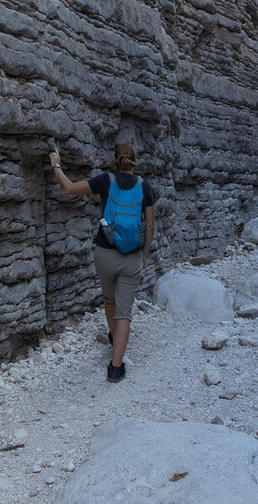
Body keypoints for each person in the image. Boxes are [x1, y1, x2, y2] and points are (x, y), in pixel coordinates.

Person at [49, 143, 156, 382]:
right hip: (131, 258)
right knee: (125, 312)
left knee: (109, 301)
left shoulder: (105, 181)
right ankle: (115, 368)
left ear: (115, 160)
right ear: (134, 161)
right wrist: (145, 254)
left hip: (105, 254)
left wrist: (56, 164)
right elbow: (150, 225)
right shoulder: (145, 186)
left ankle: (114, 338)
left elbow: (68, 188)